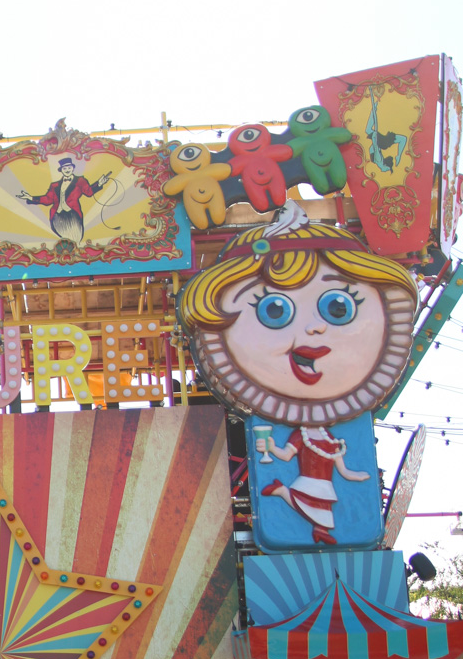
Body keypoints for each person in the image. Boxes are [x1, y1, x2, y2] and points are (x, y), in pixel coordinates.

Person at [177, 204, 418, 541]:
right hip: (295, 494)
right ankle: (296, 508)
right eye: (274, 310)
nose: (314, 328)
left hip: (322, 497)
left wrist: (355, 473)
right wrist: (267, 448)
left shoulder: (335, 430)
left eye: (338, 307)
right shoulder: (296, 430)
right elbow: (286, 453)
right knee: (310, 508)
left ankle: (301, 512)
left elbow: (336, 465)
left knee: (319, 511)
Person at [18, 157, 112, 245]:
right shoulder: (54, 185)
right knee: (63, 241)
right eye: (64, 168)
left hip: (73, 215)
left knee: (76, 240)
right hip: (57, 216)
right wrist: (31, 198)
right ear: (61, 170)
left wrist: (99, 184)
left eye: (69, 168)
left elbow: (89, 192)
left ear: (73, 168)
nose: (67, 170)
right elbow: (48, 199)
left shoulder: (80, 181)